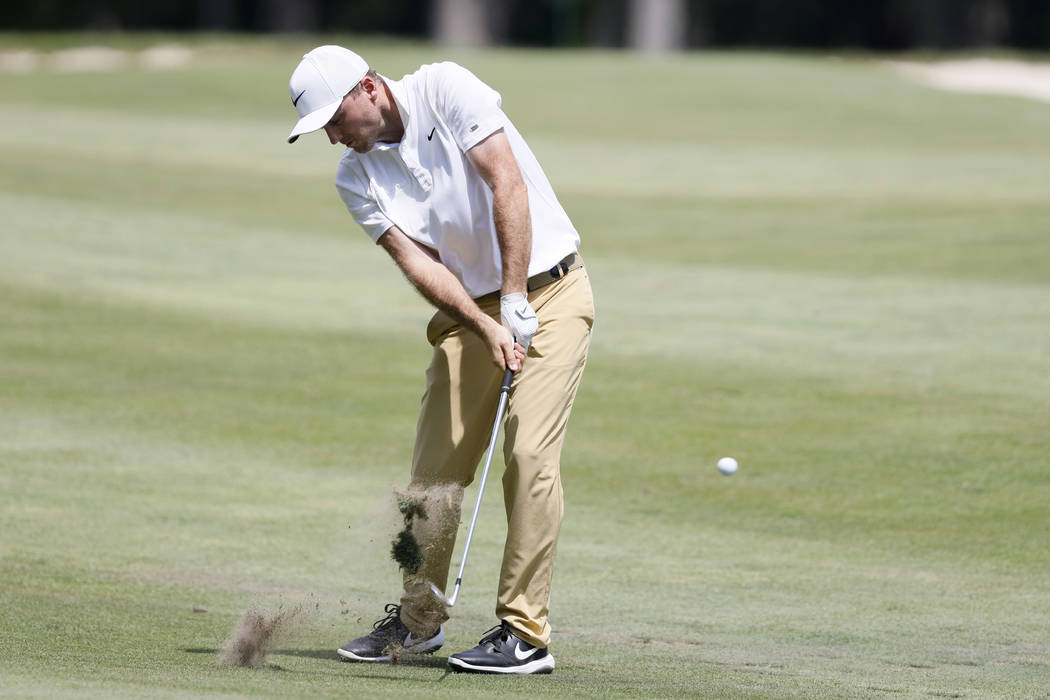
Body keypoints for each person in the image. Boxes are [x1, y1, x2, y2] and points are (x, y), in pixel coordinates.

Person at [286, 45, 594, 675]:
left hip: (551, 288)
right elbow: (417, 263)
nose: (334, 138)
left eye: (335, 121)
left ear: (369, 88)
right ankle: (418, 621)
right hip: (472, 312)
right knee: (432, 475)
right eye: (323, 131)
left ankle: (524, 634)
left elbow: (504, 179)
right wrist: (485, 323)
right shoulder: (355, 176)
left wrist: (513, 297)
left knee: (530, 455)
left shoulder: (446, 88)